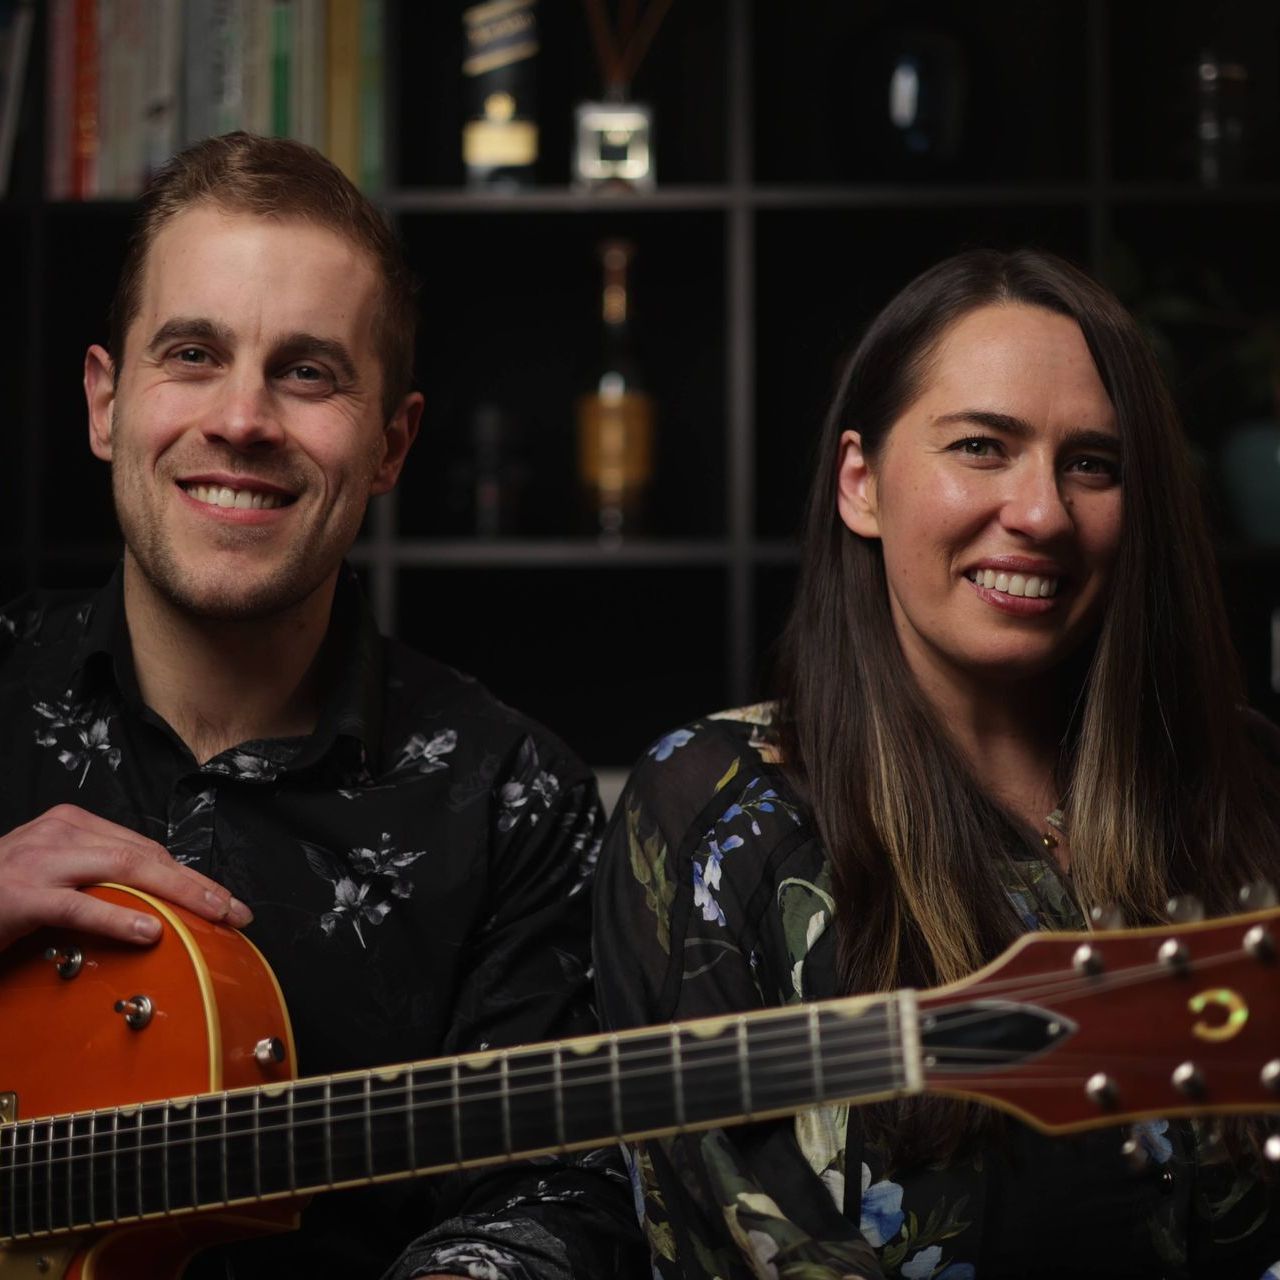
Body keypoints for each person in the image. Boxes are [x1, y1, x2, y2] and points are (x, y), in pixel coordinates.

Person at [0, 132, 642, 1280]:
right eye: (192, 352)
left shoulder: (512, 801)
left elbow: (551, 1192)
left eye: (307, 371)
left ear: (391, 442)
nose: (242, 418)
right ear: (106, 402)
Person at [593, 248, 1280, 1279]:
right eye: (980, 445)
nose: (1040, 511)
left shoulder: (1248, 777)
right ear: (860, 485)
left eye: (1090, 462)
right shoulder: (714, 812)